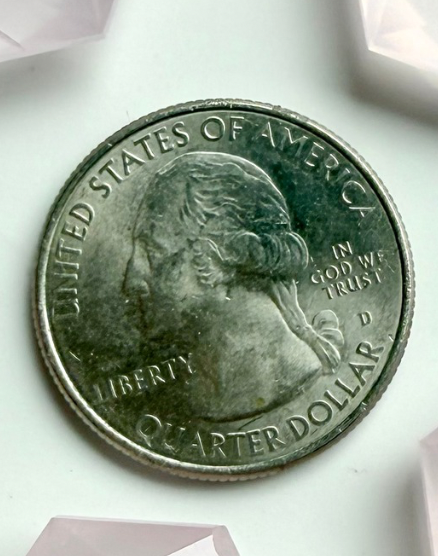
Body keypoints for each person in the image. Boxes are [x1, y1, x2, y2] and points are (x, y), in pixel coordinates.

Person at [122, 151, 344, 420]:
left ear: (219, 255)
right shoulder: (194, 392)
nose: (131, 282)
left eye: (152, 252)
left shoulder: (270, 381)